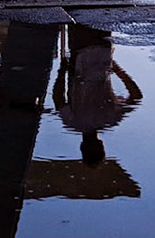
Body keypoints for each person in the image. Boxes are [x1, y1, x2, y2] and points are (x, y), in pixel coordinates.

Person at [53, 24, 142, 167]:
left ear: (101, 145)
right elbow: (58, 98)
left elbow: (137, 96)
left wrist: (117, 69)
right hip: (80, 53)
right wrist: (62, 70)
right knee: (78, 16)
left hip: (104, 50)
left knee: (100, 17)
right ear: (82, 146)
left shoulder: (111, 119)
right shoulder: (73, 122)